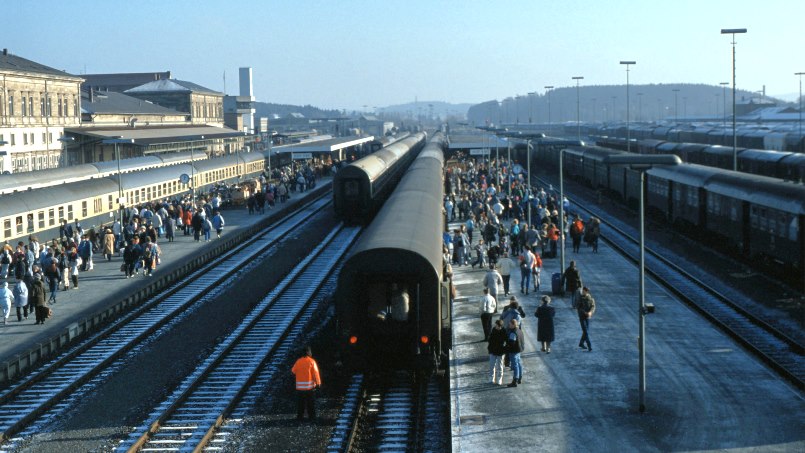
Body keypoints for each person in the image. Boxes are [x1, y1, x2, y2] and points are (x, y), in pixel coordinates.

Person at [291, 346, 322, 421]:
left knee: (300, 403)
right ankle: (311, 417)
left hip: (300, 388)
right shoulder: (312, 361)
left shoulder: (298, 361)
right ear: (308, 352)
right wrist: (318, 383)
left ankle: (300, 417)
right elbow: (315, 373)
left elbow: (293, 371)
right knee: (310, 403)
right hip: (309, 388)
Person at [505, 318, 525, 387]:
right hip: (519, 350)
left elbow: (511, 343)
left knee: (515, 365)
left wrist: (506, 347)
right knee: (519, 363)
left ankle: (515, 380)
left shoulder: (513, 333)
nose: (509, 325)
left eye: (510, 324)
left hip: (513, 351)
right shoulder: (519, 330)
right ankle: (519, 378)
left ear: (513, 325)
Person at [574, 287, 596, 351]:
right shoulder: (580, 299)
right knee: (586, 331)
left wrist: (590, 312)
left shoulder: (591, 299)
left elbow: (593, 306)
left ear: (587, 292)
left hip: (588, 316)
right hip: (582, 316)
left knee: (586, 331)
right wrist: (585, 312)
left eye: (584, 291)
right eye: (583, 291)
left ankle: (581, 343)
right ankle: (589, 345)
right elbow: (578, 307)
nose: (583, 292)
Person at [487, 319, 507, 385]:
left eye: (496, 325)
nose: (495, 326)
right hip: (493, 350)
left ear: (500, 326)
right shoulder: (494, 330)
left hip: (500, 351)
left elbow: (505, 342)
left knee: (500, 366)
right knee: (491, 365)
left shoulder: (504, 331)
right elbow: (490, 340)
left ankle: (499, 379)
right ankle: (491, 378)